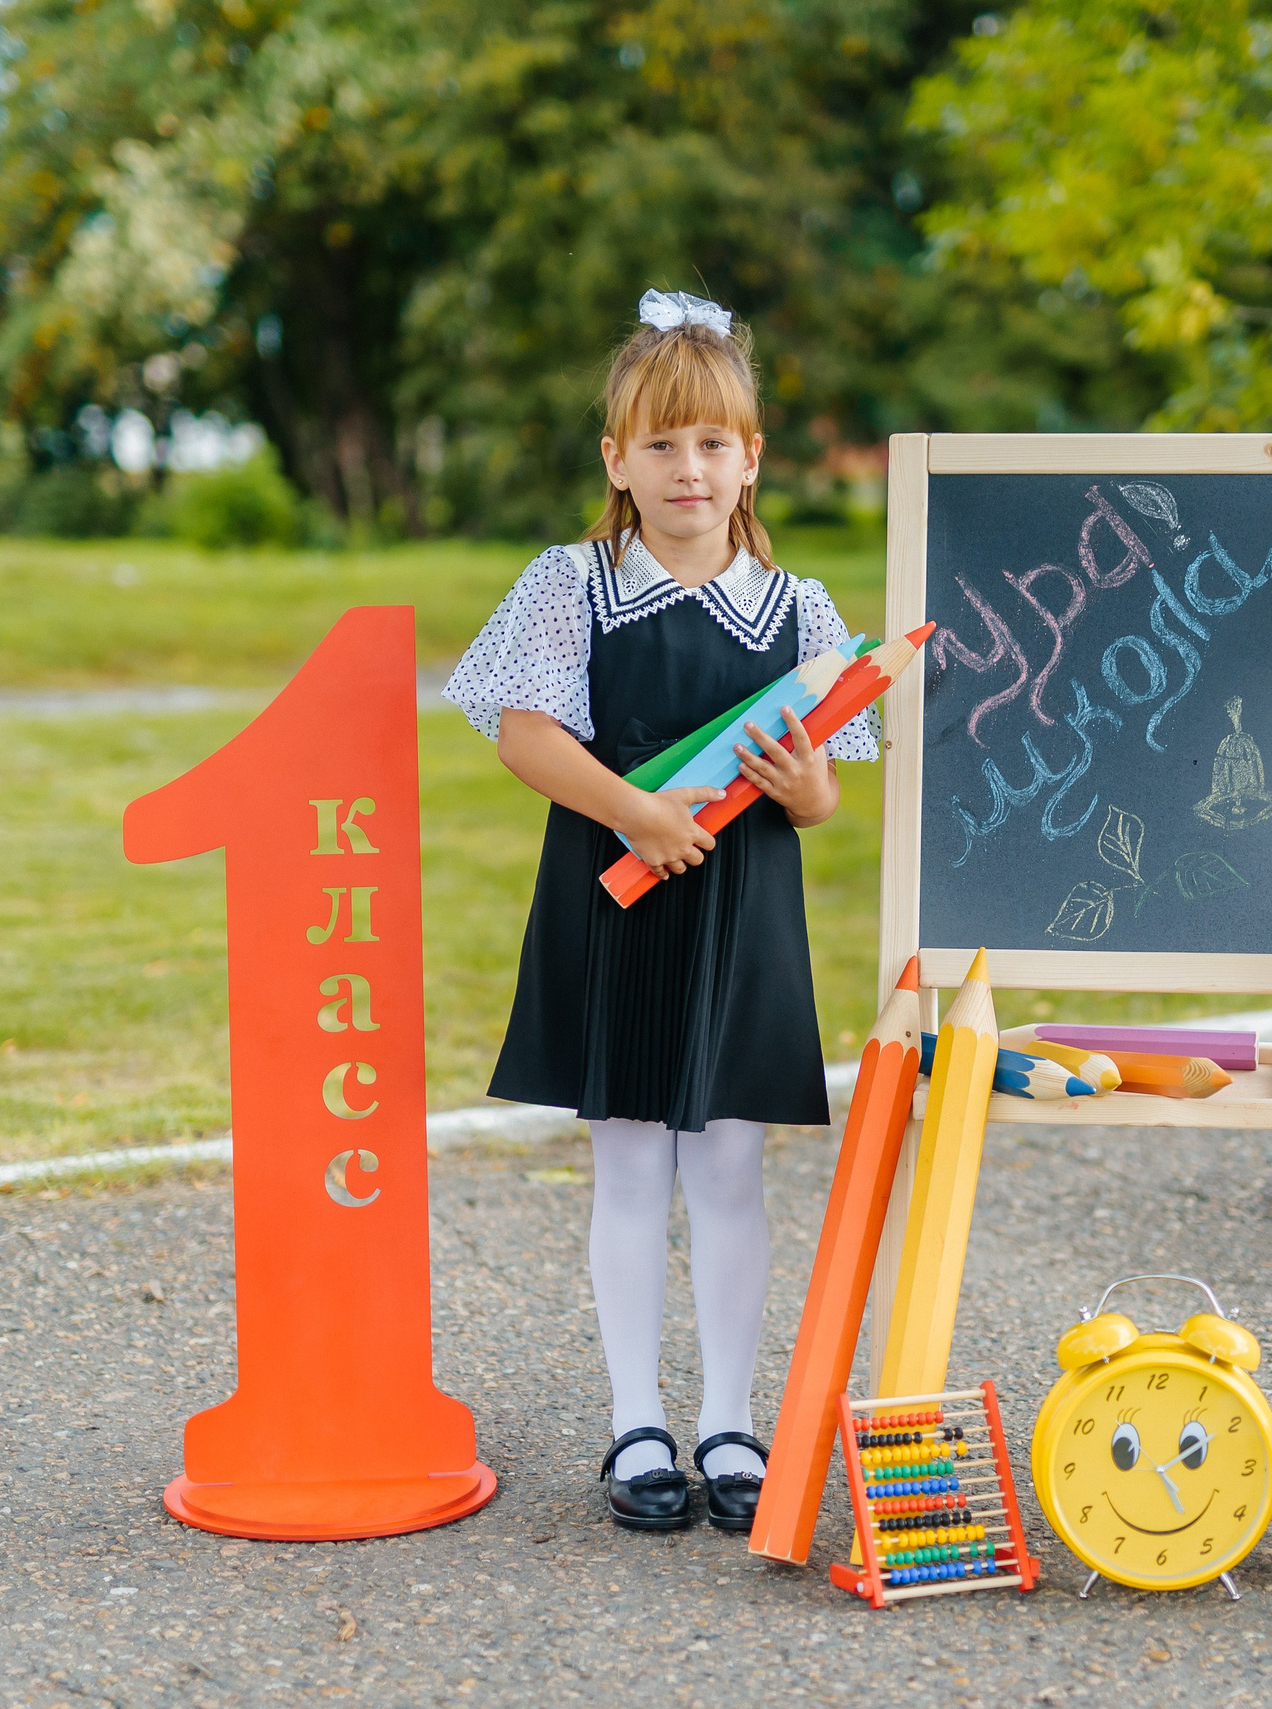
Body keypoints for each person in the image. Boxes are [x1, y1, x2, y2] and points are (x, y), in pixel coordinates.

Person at [443, 290, 878, 1534]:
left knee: (731, 1167)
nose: (688, 469)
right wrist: (633, 810)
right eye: (661, 445)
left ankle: (731, 1419)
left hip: (742, 914)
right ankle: (637, 1417)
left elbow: (820, 793)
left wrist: (803, 788)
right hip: (619, 897)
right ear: (616, 461)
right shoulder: (570, 583)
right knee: (631, 1161)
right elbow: (525, 735)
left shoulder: (797, 609)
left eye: (713, 444)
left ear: (751, 457)